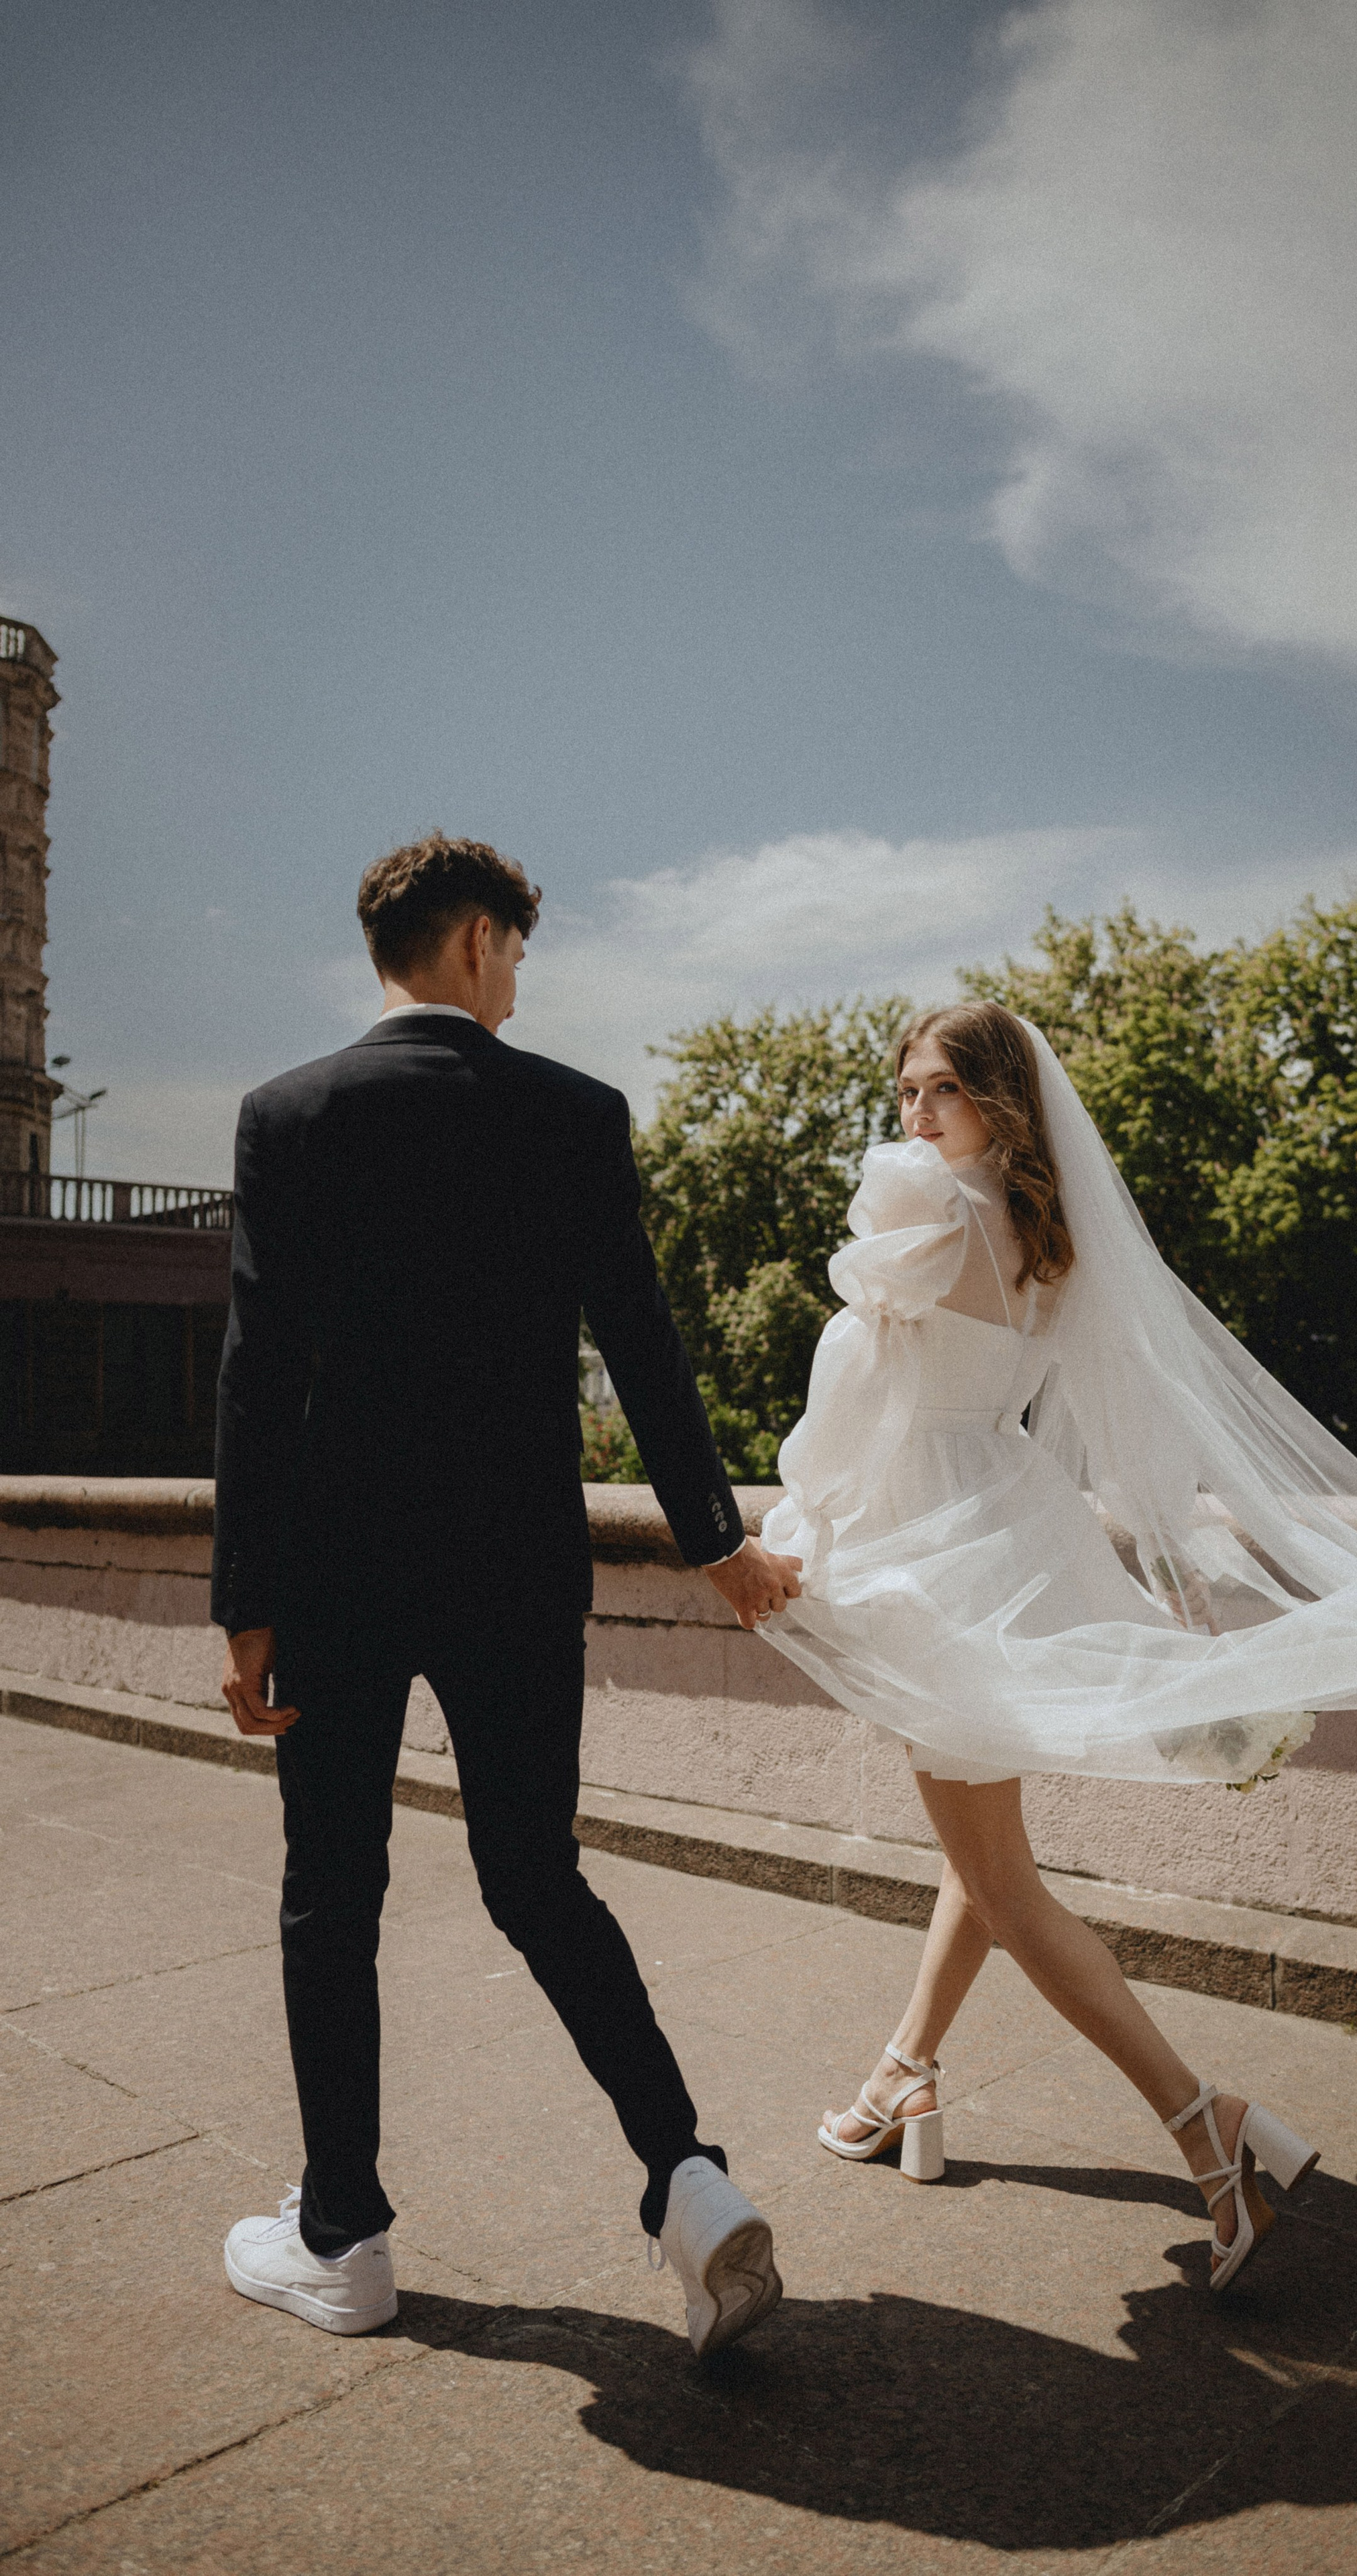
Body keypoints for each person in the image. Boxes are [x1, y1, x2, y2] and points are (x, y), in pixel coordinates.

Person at [759, 1002, 1357, 2293]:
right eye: (905, 1091)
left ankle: (1207, 2132)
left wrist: (799, 1524)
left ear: (997, 1102)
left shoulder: (922, 1214)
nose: (912, 1116)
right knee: (981, 1838)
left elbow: (851, 1405)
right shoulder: (1055, 1236)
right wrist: (1168, 1587)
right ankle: (904, 2077)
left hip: (937, 1550)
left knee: (1000, 1880)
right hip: (1012, 1524)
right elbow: (1130, 1426)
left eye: (939, 1092)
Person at [213, 831, 802, 2357]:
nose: (522, 982)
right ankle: (683, 2175)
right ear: (476, 944)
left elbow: (257, 1374)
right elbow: (645, 1346)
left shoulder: (288, 1115)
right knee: (535, 1875)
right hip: (516, 1564)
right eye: (520, 954)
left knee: (329, 1897)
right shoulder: (573, 1116)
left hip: (337, 1572)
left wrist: (244, 1600)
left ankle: (342, 2235)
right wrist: (713, 1537)